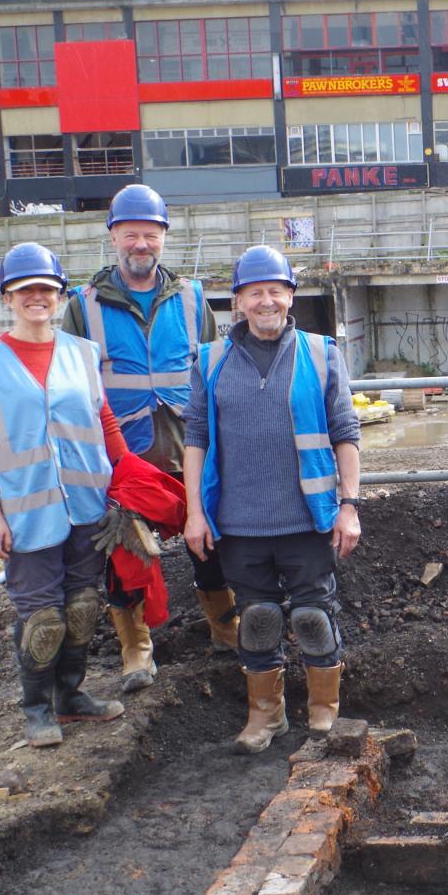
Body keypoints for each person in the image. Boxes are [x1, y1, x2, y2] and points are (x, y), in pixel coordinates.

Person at [182, 245, 363, 754]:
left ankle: (324, 713)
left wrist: (349, 506)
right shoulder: (210, 361)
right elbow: (195, 438)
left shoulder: (322, 353)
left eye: (276, 291)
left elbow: (345, 432)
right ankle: (266, 717)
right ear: (237, 301)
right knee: (257, 619)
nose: (267, 301)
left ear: (290, 296)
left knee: (312, 616)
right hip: (238, 523)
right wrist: (195, 511)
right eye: (255, 292)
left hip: (307, 519)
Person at [61, 183, 234, 692]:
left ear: (164, 237)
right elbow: (73, 383)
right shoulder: (83, 304)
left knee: (210, 542)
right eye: (130, 234)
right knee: (126, 552)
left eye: (150, 234)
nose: (141, 244)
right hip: (121, 453)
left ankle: (225, 629)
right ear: (113, 236)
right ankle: (135, 648)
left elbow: (209, 369)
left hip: (188, 446)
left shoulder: (191, 296)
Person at [0, 243, 128, 748]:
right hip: (27, 513)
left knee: (80, 606)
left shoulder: (81, 353)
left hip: (87, 506)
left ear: (59, 296)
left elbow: (103, 421)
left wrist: (129, 483)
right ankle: (36, 709)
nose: (37, 297)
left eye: (46, 289)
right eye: (26, 289)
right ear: (7, 297)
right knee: (43, 618)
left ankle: (71, 697)